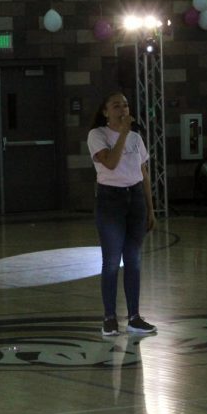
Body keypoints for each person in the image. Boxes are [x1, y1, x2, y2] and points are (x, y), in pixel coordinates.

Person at [87, 92, 156, 337]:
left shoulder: (136, 138)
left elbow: (143, 172)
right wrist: (123, 133)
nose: (123, 109)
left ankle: (135, 316)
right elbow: (112, 163)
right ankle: (109, 317)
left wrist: (150, 207)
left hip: (135, 197)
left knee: (134, 260)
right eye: (116, 105)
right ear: (106, 112)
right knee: (111, 261)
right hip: (111, 200)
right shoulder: (98, 135)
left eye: (125, 105)